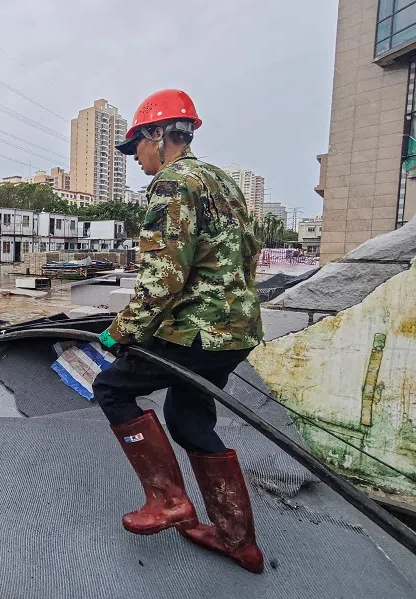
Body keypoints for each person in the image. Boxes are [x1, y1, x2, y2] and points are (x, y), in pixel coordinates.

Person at [92, 89, 265, 573]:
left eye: (138, 149)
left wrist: (121, 331)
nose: (138, 161)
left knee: (110, 387)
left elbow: (164, 277)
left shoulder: (172, 183)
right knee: (189, 420)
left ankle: (166, 499)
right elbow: (242, 259)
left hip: (194, 331)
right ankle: (237, 540)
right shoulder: (222, 182)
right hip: (235, 329)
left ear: (156, 135)